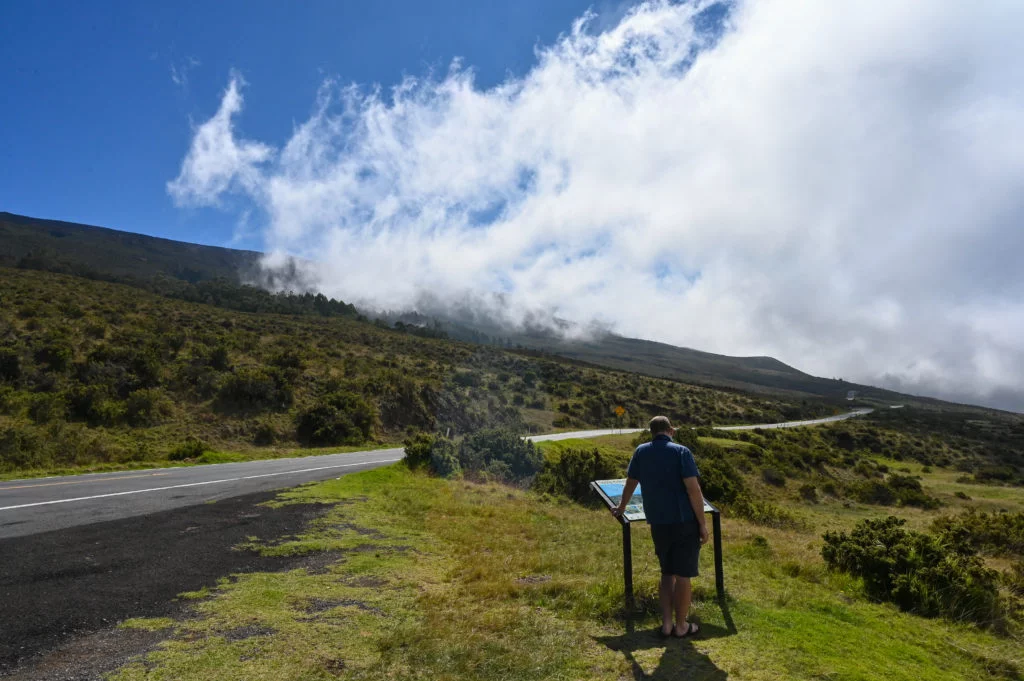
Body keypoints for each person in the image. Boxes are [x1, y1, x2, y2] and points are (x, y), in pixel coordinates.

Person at [612, 415, 709, 638]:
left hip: (658, 521)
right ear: (671, 430)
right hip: (684, 521)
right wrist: (702, 524)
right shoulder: (681, 452)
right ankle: (682, 626)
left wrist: (621, 507)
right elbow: (694, 491)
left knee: (667, 573)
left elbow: (630, 482)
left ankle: (666, 624)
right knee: (683, 575)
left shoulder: (641, 451)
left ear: (652, 432)